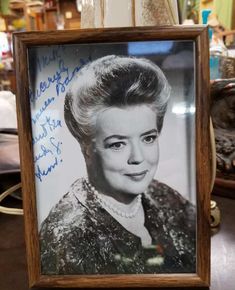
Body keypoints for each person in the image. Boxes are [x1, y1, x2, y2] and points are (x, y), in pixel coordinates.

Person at [39, 55, 196, 275]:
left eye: (148, 138)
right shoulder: (67, 237)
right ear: (86, 148)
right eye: (117, 144)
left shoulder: (164, 197)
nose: (137, 157)